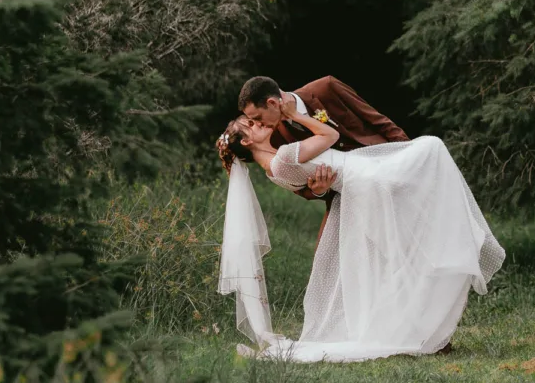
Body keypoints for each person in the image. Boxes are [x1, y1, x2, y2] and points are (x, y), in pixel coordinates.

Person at [216, 93, 505, 364]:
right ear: (246, 142)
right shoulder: (283, 159)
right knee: (432, 150)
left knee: (405, 247)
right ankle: (425, 321)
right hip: (370, 184)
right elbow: (331, 135)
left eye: (254, 119)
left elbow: (311, 181)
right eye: (250, 125)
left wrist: (318, 188)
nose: (259, 124)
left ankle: (424, 322)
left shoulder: (274, 168)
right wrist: (297, 116)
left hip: (366, 184)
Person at [238, 76, 409, 238]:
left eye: (258, 117)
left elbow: (378, 121)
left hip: (383, 162)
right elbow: (297, 184)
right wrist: (318, 191)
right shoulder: (274, 137)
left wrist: (408, 155)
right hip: (346, 195)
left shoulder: (326, 88)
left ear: (273, 103)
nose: (259, 124)